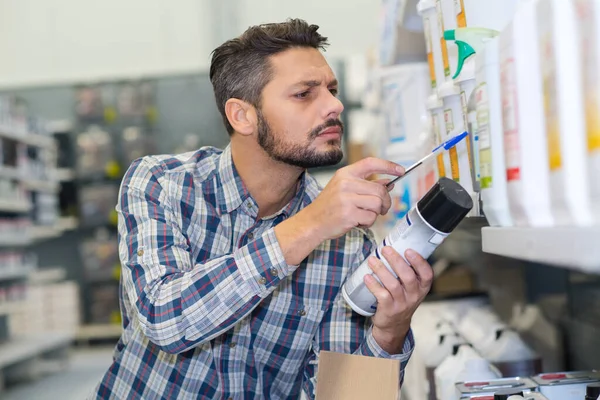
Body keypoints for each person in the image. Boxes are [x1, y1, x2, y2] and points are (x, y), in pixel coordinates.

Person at [92, 18, 433, 399]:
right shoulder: (162, 183)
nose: (335, 105)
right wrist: (311, 224)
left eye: (332, 90)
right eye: (305, 94)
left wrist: (389, 333)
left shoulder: (349, 244)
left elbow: (337, 395)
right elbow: (165, 320)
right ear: (242, 116)